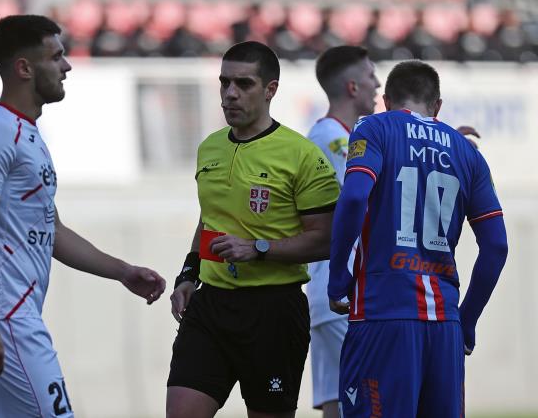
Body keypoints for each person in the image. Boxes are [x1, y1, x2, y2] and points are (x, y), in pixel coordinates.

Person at [0, 15, 166, 417]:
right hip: (3, 317)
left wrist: (122, 271)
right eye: (56, 56)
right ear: (24, 68)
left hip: (2, 314)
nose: (67, 66)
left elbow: (53, 231)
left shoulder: (27, 133)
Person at [166, 41, 341, 418]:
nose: (230, 93)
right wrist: (189, 274)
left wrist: (258, 248)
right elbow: (209, 217)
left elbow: (327, 239)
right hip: (210, 306)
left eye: (243, 84)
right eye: (224, 82)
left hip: (273, 310)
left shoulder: (301, 154)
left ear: (270, 89)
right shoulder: (210, 147)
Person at [328, 60, 508, 417]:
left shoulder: (373, 127)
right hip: (444, 325)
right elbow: (497, 246)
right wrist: (467, 320)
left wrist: (337, 279)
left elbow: (354, 197)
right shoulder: (467, 151)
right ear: (437, 105)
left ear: (387, 101)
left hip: (382, 313)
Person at [304, 46, 380, 418]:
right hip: (343, 296)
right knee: (369, 401)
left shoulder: (337, 136)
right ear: (352, 87)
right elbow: (365, 201)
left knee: (339, 402)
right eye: (370, 75)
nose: (377, 84)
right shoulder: (332, 141)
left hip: (331, 297)